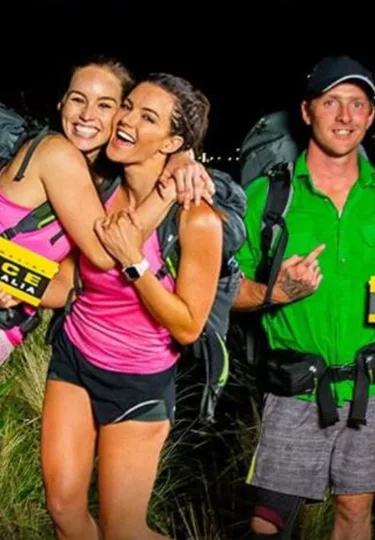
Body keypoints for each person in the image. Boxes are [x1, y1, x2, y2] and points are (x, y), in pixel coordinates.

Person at [233, 56, 375, 539]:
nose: (345, 116)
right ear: (306, 111)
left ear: (371, 116)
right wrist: (276, 293)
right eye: (331, 102)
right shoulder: (267, 197)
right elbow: (222, 291)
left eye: (357, 104)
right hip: (296, 386)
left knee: (355, 514)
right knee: (268, 524)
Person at [38, 72, 223, 540]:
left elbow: (187, 326)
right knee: (64, 510)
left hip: (136, 381)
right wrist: (16, 285)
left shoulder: (196, 218)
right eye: (128, 107)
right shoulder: (99, 185)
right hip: (74, 358)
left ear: (172, 140)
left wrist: (135, 263)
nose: (123, 120)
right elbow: (71, 278)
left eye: (147, 117)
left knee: (123, 530)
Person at [0, 57, 213, 364]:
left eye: (105, 105)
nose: (87, 114)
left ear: (120, 115)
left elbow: (71, 284)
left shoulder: (97, 180)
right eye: (78, 99)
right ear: (62, 104)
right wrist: (168, 190)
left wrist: (23, 282)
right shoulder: (57, 154)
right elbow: (105, 253)